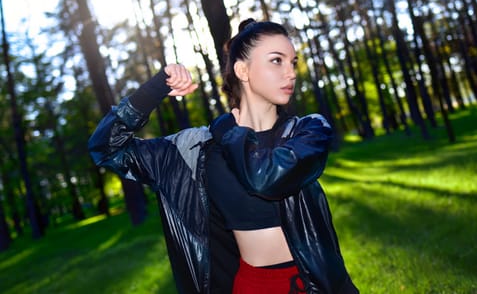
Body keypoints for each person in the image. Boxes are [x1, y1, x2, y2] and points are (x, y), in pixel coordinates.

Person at [88, 19, 359, 293]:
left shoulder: (307, 130)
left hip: (316, 284)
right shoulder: (194, 151)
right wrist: (157, 87)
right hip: (252, 286)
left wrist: (230, 129)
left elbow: (265, 179)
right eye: (277, 61)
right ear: (242, 69)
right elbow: (106, 148)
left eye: (293, 62)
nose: (290, 73)